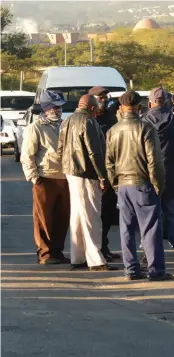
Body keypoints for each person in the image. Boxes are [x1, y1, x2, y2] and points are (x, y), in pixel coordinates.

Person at [105, 90, 173, 281]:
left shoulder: (113, 130)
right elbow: (155, 161)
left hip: (123, 186)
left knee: (126, 229)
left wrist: (116, 185)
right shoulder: (146, 128)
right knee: (150, 228)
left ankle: (131, 270)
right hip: (143, 183)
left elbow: (109, 163)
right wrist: (158, 185)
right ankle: (155, 270)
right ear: (140, 107)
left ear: (121, 108)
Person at [58, 94, 118, 272]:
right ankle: (96, 260)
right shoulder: (89, 122)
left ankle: (78, 257)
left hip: (71, 172)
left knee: (77, 216)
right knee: (91, 216)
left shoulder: (67, 120)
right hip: (86, 173)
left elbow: (60, 148)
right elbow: (95, 153)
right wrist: (102, 176)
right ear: (92, 109)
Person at [142, 87, 174, 270]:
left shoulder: (143, 122)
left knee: (150, 217)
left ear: (150, 103)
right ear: (168, 102)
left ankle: (148, 255)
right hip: (173, 174)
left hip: (148, 175)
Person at [21, 90, 70, 265]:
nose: (57, 111)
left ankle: (57, 251)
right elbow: (27, 155)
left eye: (59, 107)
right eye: (54, 107)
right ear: (45, 108)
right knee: (43, 218)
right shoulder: (36, 127)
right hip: (45, 178)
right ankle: (45, 253)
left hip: (65, 178)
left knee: (62, 218)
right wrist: (34, 178)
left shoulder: (64, 125)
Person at [88, 86, 120, 262]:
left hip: (111, 172)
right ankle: (95, 248)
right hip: (93, 173)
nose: (103, 99)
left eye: (105, 96)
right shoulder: (87, 119)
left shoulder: (111, 117)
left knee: (108, 213)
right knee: (94, 213)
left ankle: (104, 245)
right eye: (100, 97)